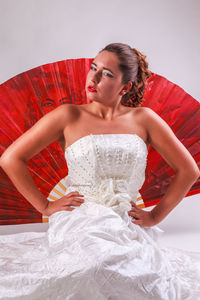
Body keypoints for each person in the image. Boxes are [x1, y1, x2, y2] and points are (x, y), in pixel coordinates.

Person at [0, 42, 200, 299]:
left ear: (125, 87)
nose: (92, 77)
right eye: (93, 68)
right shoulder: (68, 115)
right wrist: (45, 206)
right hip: (80, 218)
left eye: (107, 73)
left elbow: (189, 170)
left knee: (138, 275)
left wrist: (154, 217)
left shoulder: (144, 119)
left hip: (126, 221)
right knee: (96, 267)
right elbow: (11, 158)